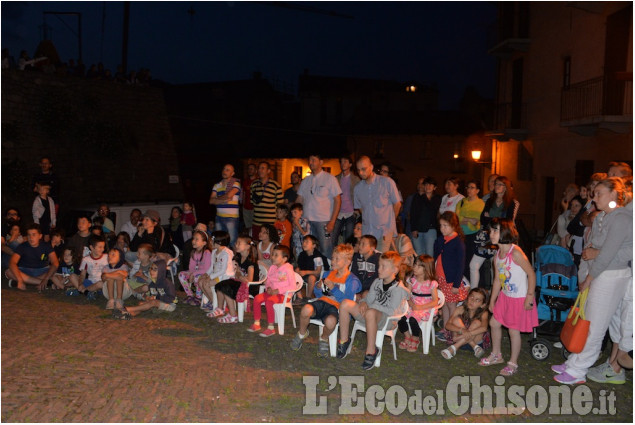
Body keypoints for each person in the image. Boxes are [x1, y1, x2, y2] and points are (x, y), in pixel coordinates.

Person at [552, 177, 632, 385]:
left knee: (595, 326)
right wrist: (589, 268)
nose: (594, 198)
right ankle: (574, 362)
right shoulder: (603, 217)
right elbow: (592, 248)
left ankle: (579, 370)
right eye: (594, 193)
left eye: (599, 193)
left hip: (611, 275)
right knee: (586, 322)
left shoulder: (622, 217)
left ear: (614, 194)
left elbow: (606, 254)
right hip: (600, 273)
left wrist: (589, 277)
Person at [479, 218, 537, 376]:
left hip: (518, 298)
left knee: (513, 330)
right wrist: (492, 300)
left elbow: (531, 274)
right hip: (505, 297)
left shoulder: (516, 253)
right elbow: (497, 279)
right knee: (494, 323)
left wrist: (529, 297)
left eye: (495, 230)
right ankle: (496, 355)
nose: (491, 234)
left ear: (505, 232)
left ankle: (513, 363)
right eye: (491, 231)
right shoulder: (498, 254)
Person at [336, 251, 410, 370]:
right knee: (345, 304)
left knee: (370, 312)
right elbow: (369, 300)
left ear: (394, 270)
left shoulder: (398, 289)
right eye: (379, 265)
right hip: (370, 314)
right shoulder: (377, 282)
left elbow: (392, 311)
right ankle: (344, 340)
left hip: (387, 320)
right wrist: (364, 302)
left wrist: (372, 306)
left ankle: (371, 351)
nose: (379, 269)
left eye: (383, 266)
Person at [290, 244, 361, 356]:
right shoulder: (328, 274)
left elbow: (347, 301)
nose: (333, 261)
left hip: (336, 308)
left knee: (331, 322)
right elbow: (319, 294)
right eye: (332, 258)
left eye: (337, 259)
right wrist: (318, 287)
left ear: (347, 262)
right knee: (305, 310)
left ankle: (324, 338)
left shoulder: (351, 280)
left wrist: (333, 288)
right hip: (321, 303)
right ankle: (302, 333)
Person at [469, 175, 519, 289]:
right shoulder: (490, 200)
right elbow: (483, 218)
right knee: (473, 265)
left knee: (495, 267)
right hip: (487, 236)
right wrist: (496, 219)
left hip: (501, 238)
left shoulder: (512, 203)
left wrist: (490, 218)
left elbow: (508, 221)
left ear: (505, 187)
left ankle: (494, 295)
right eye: (496, 184)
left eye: (499, 184)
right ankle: (473, 292)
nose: (496, 186)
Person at [296, 154, 342, 258]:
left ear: (321, 162)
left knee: (326, 250)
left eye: (313, 160)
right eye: (309, 160)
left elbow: (338, 201)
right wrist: (295, 217)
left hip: (323, 221)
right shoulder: (306, 180)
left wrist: (332, 221)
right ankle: (313, 272)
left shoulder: (330, 179)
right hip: (307, 222)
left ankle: (326, 273)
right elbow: (299, 200)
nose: (310, 162)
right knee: (310, 251)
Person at [353, 156, 401, 253]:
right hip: (367, 233)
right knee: (368, 262)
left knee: (379, 262)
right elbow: (361, 209)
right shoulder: (358, 188)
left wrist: (389, 226)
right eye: (358, 170)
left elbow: (397, 204)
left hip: (383, 232)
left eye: (363, 169)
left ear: (371, 167)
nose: (361, 173)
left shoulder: (387, 182)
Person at [247, 244, 296, 337]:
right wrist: (268, 288)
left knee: (269, 302)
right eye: (272, 254)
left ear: (284, 259)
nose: (272, 257)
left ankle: (271, 328)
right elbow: (268, 280)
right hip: (272, 293)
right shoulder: (273, 268)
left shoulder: (288, 269)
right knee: (257, 298)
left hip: (284, 295)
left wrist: (277, 291)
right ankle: (257, 323)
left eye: (276, 255)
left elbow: (293, 285)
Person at [397, 254, 439, 353]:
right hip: (413, 304)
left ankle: (415, 338)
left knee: (413, 319)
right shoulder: (412, 280)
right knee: (400, 316)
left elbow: (435, 301)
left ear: (426, 269)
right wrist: (411, 304)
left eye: (418, 266)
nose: (415, 267)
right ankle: (407, 336)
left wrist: (420, 307)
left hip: (425, 308)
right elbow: (407, 294)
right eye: (415, 265)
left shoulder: (431, 283)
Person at [214, 234, 260, 324]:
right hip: (241, 282)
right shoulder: (238, 258)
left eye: (239, 243)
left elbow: (249, 279)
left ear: (247, 246)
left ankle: (233, 315)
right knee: (220, 285)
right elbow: (237, 273)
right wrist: (239, 276)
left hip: (250, 287)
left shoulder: (250, 262)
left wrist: (239, 276)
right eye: (236, 243)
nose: (236, 245)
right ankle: (220, 309)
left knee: (227, 288)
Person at [434, 211, 467, 332]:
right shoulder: (441, 240)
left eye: (445, 226)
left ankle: (453, 330)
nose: (442, 229)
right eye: (441, 225)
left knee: (451, 306)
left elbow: (461, 265)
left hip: (451, 280)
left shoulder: (458, 243)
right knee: (445, 304)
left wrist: (456, 284)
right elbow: (435, 257)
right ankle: (446, 328)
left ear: (453, 226)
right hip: (440, 278)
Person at [6, 224, 59, 291]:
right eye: (29, 235)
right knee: (9, 272)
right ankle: (44, 283)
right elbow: (12, 262)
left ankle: (29, 282)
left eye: (34, 234)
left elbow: (55, 263)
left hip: (42, 271)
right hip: (25, 270)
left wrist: (46, 278)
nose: (31, 237)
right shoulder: (22, 246)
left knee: (55, 271)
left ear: (40, 236)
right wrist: (20, 280)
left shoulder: (46, 246)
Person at [440, 288, 489, 359]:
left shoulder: (484, 313)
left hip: (474, 341)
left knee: (477, 322)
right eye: (471, 297)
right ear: (468, 297)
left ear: (482, 305)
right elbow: (448, 325)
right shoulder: (460, 309)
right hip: (471, 345)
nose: (472, 301)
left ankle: (454, 348)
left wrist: (461, 336)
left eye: (477, 300)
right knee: (456, 320)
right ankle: (473, 346)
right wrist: (462, 330)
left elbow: (484, 328)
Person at [199, 231, 235, 316]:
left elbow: (223, 270)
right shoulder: (214, 252)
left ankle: (216, 305)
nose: (210, 242)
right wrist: (206, 274)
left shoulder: (225, 254)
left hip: (224, 277)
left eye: (212, 241)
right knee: (201, 282)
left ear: (219, 242)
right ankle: (212, 301)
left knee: (206, 283)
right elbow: (212, 266)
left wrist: (210, 277)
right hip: (217, 275)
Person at [456, 180, 485, 279]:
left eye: (472, 187)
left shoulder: (481, 204)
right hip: (461, 234)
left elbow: (478, 220)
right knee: (461, 260)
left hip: (474, 235)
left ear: (477, 190)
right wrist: (469, 219)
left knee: (471, 260)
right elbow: (456, 218)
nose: (469, 189)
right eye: (468, 187)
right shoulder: (462, 202)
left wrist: (463, 219)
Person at [209, 164, 241, 245]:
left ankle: (234, 257)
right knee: (219, 241)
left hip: (231, 218)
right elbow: (211, 201)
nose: (225, 171)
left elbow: (229, 195)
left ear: (232, 173)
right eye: (224, 169)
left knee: (233, 241)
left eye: (228, 170)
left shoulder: (236, 183)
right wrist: (223, 200)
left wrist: (217, 199)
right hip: (219, 217)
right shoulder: (217, 185)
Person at [178, 230, 212, 305]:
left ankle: (198, 297)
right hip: (195, 273)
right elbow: (191, 267)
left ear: (204, 243)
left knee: (197, 277)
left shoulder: (207, 253)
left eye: (197, 239)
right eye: (193, 239)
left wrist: (194, 274)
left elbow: (206, 269)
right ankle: (190, 295)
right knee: (181, 274)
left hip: (204, 274)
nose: (193, 241)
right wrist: (191, 274)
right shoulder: (193, 252)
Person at [410, 177, 442, 256]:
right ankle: (420, 268)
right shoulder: (417, 197)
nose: (428, 187)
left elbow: (432, 209)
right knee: (419, 252)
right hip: (418, 229)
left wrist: (424, 196)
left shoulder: (437, 198)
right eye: (426, 184)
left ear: (434, 187)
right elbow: (413, 213)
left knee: (429, 253)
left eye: (430, 185)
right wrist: (414, 228)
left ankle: (428, 268)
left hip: (430, 229)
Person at [250, 161, 282, 241]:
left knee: (270, 245)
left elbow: (280, 204)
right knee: (256, 244)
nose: (260, 170)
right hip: (257, 222)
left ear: (268, 171)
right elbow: (252, 202)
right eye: (259, 168)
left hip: (270, 223)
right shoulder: (254, 185)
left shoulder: (276, 185)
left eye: (263, 168)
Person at [334, 156, 360, 245]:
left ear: (350, 164)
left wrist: (357, 211)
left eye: (345, 161)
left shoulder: (356, 179)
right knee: (333, 238)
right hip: (338, 213)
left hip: (350, 212)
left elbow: (359, 196)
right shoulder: (336, 179)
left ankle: (349, 258)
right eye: (341, 161)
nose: (343, 163)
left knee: (349, 240)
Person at [295, 235, 329, 302]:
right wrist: (298, 269)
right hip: (305, 274)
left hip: (316, 275)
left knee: (311, 277)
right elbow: (300, 266)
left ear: (314, 245)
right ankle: (299, 296)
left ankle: (308, 297)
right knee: (294, 275)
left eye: (307, 242)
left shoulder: (317, 256)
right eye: (303, 242)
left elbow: (318, 271)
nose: (304, 244)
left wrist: (306, 272)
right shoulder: (302, 254)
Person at [350, 234, 381, 299]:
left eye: (363, 244)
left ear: (372, 248)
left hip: (371, 291)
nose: (360, 246)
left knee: (365, 295)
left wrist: (369, 290)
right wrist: (356, 292)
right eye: (360, 243)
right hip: (358, 290)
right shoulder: (356, 257)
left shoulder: (378, 259)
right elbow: (353, 275)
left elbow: (378, 278)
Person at [78, 234, 109, 300]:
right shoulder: (86, 259)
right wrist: (80, 283)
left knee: (100, 284)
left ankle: (84, 291)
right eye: (100, 247)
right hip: (90, 282)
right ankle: (89, 291)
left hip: (102, 283)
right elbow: (82, 274)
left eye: (103, 247)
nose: (102, 249)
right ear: (91, 247)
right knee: (73, 276)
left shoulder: (106, 257)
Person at [242, 163, 258, 235]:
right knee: (248, 227)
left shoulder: (258, 181)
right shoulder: (245, 181)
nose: (250, 170)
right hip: (246, 208)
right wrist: (242, 205)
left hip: (255, 208)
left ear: (255, 170)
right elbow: (244, 193)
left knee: (255, 227)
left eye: (252, 169)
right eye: (249, 169)